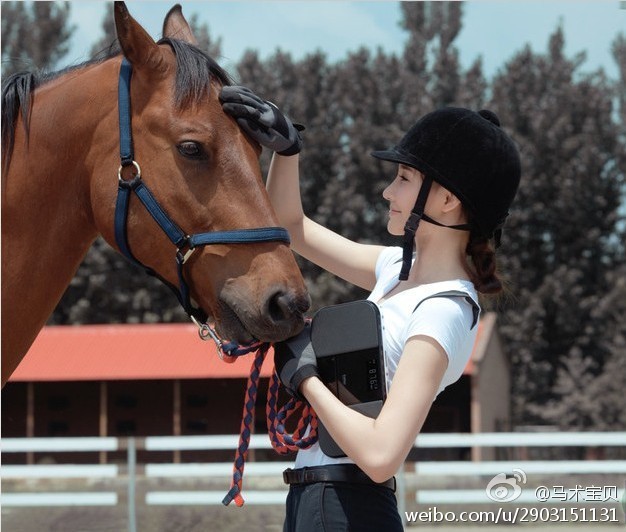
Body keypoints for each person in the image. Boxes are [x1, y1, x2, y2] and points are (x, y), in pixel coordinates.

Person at [220, 86, 521, 531]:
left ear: (447, 199)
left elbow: (381, 456)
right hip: (318, 500)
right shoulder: (395, 271)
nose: (386, 191)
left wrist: (306, 380)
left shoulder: (443, 311)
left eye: (403, 177)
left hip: (347, 505)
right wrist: (287, 149)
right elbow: (291, 227)